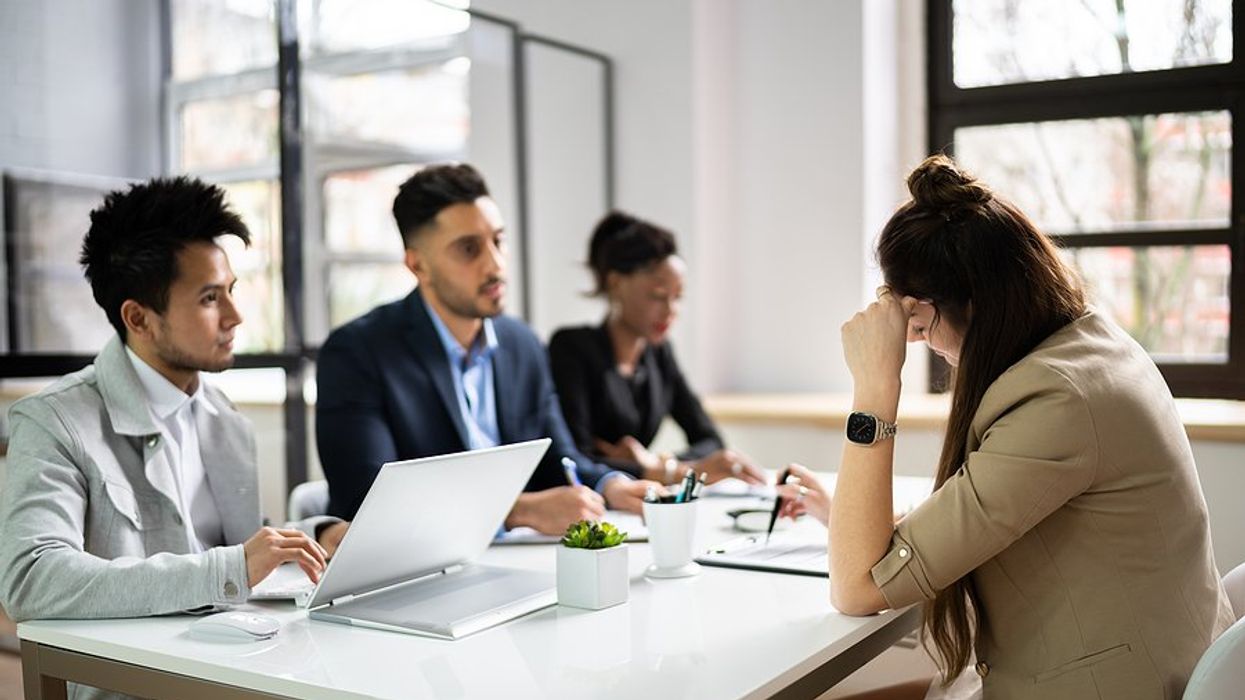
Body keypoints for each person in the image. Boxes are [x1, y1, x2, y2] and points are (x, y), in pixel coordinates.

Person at [777, 155, 1232, 700]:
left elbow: (856, 587)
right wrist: (849, 519)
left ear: (960, 306)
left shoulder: (1057, 403)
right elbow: (981, 505)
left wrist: (875, 391)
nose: (923, 345)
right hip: (1143, 663)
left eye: (919, 327)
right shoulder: (1089, 348)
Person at [0, 177, 349, 627]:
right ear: (138, 318)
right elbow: (31, 579)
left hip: (233, 654)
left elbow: (236, 551)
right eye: (209, 298)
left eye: (231, 290)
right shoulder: (55, 421)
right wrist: (233, 568)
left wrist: (316, 536)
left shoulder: (223, 417)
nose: (234, 316)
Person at [316, 164, 658, 533]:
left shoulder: (521, 344)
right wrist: (518, 511)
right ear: (419, 265)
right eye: (468, 249)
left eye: (498, 240)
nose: (495, 264)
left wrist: (612, 486)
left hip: (514, 564)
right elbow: (366, 499)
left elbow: (560, 460)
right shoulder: (357, 353)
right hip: (417, 576)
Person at [548, 211, 765, 487]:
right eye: (658, 296)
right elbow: (574, 460)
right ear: (615, 283)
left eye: (678, 298)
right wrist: (659, 471)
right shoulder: (572, 349)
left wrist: (658, 465)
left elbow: (710, 440)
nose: (671, 311)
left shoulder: (659, 356)